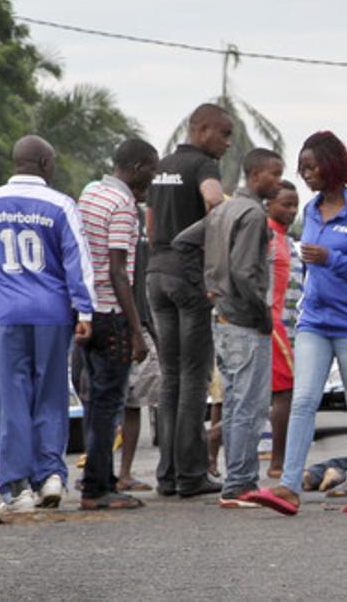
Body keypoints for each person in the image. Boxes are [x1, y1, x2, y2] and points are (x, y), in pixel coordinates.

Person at [247, 131, 347, 516]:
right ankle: (289, 486)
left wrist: (330, 258)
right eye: (302, 168)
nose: (305, 174)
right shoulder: (309, 210)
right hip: (315, 320)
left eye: (311, 167)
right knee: (304, 399)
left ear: (332, 166)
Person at [0, 135, 96, 514]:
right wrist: (84, 311)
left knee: (10, 399)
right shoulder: (60, 204)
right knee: (51, 393)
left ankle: (17, 488)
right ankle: (51, 475)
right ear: (46, 164)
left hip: (3, 314)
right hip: (51, 313)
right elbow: (77, 261)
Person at [174, 148, 285, 507]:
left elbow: (182, 241)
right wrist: (262, 312)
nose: (279, 181)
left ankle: (238, 482)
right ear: (255, 176)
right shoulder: (253, 214)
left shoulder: (223, 209)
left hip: (221, 316)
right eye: (274, 174)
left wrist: (209, 280)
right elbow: (243, 271)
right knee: (249, 406)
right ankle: (240, 483)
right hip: (245, 320)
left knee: (236, 403)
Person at [147, 103, 231, 498]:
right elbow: (214, 201)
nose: (227, 143)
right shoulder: (203, 166)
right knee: (194, 378)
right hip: (188, 274)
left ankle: (167, 476)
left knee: (171, 379)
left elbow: (149, 223)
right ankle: (192, 475)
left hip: (156, 273)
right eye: (223, 134)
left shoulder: (162, 164)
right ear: (201, 130)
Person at [76, 138, 159, 510]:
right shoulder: (125, 206)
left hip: (86, 313)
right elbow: (118, 271)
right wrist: (136, 330)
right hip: (112, 315)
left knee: (95, 403)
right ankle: (96, 489)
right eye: (152, 172)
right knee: (109, 406)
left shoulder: (91, 192)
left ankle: (101, 478)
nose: (153, 181)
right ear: (139, 167)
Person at [117, 202, 159, 492]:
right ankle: (99, 471)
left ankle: (124, 473)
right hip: (114, 315)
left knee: (134, 401)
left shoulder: (146, 217)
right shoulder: (114, 213)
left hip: (144, 319)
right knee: (106, 403)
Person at [266, 180, 300, 479]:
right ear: (269, 204)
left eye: (294, 205)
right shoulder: (265, 234)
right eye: (285, 204)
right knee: (283, 393)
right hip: (272, 324)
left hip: (288, 326)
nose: (291, 211)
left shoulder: (288, 240)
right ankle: (277, 462)